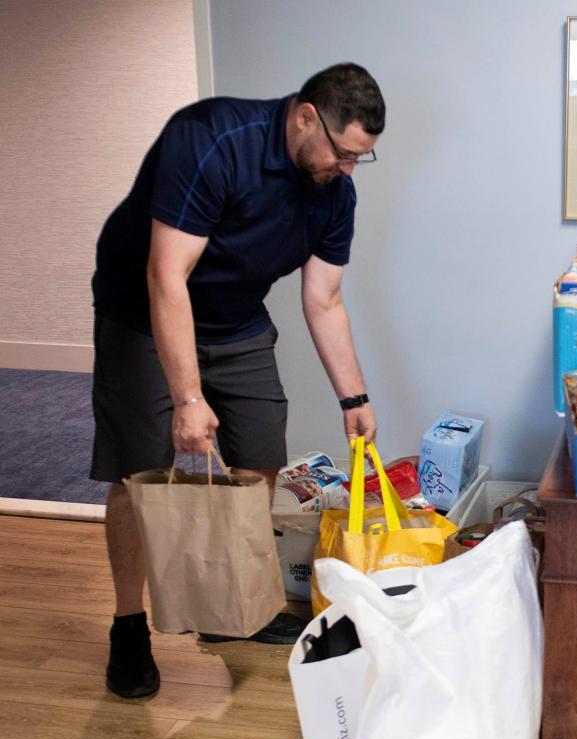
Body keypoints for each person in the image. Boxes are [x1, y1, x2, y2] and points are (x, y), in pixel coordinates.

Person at [90, 63, 385, 699]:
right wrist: (189, 399)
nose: (349, 170)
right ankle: (128, 625)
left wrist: (354, 397)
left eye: (364, 158)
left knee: (259, 457)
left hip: (234, 316)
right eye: (343, 153)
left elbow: (324, 298)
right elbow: (166, 276)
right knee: (139, 473)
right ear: (305, 117)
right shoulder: (212, 140)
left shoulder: (336, 193)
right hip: (144, 312)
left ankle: (228, 609)